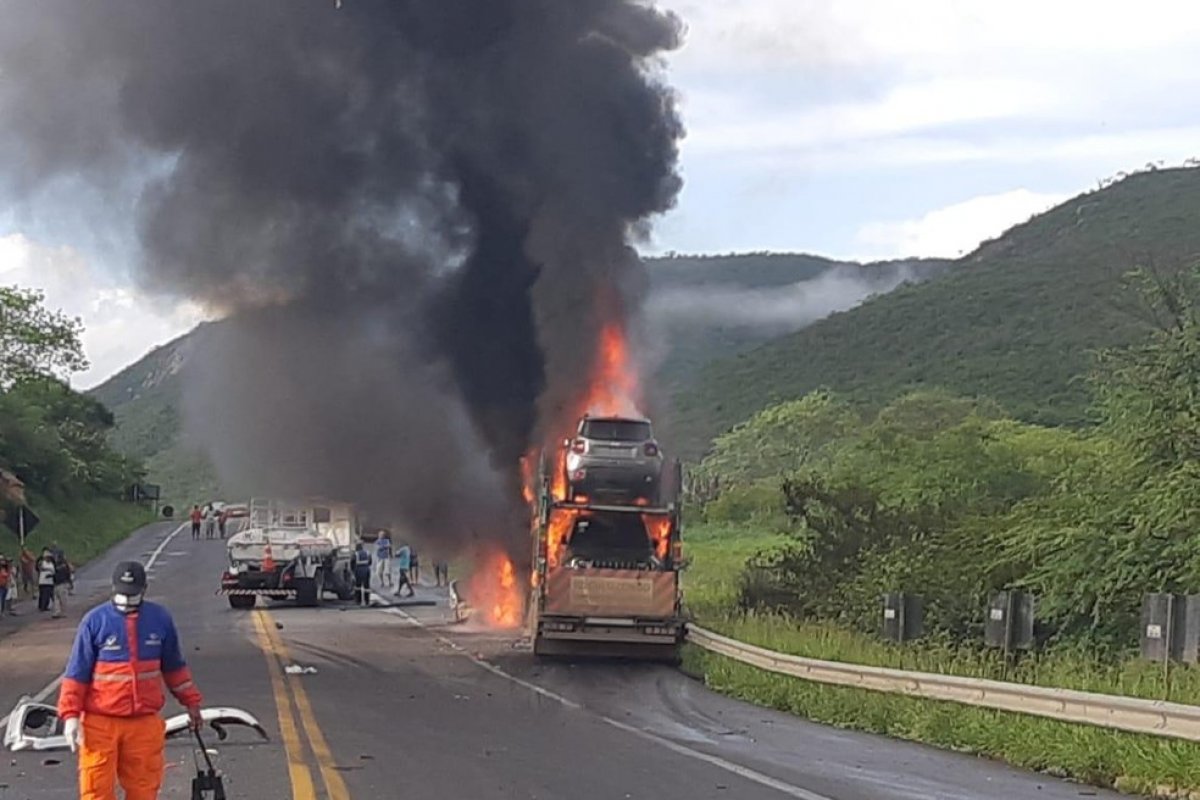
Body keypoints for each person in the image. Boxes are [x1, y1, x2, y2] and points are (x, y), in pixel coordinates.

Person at [58, 561, 203, 800]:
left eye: (132, 595)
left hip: (143, 723)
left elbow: (174, 668)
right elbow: (77, 674)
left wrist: (192, 702)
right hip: (100, 724)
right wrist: (70, 716)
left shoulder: (160, 620)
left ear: (144, 590)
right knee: (96, 790)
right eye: (122, 595)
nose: (126, 601)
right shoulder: (95, 621)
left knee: (144, 789)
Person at [52, 552, 72, 619]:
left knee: (59, 599)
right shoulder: (64, 566)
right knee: (61, 599)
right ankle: (61, 612)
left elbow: (67, 575)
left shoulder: (57, 566)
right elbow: (68, 575)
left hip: (59, 584)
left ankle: (59, 612)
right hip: (60, 584)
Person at [352, 542, 372, 606]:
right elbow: (370, 562)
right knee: (367, 586)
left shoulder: (355, 554)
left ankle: (358, 601)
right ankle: (367, 601)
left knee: (358, 586)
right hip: (367, 570)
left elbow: (352, 562)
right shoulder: (368, 553)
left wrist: (353, 571)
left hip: (358, 570)